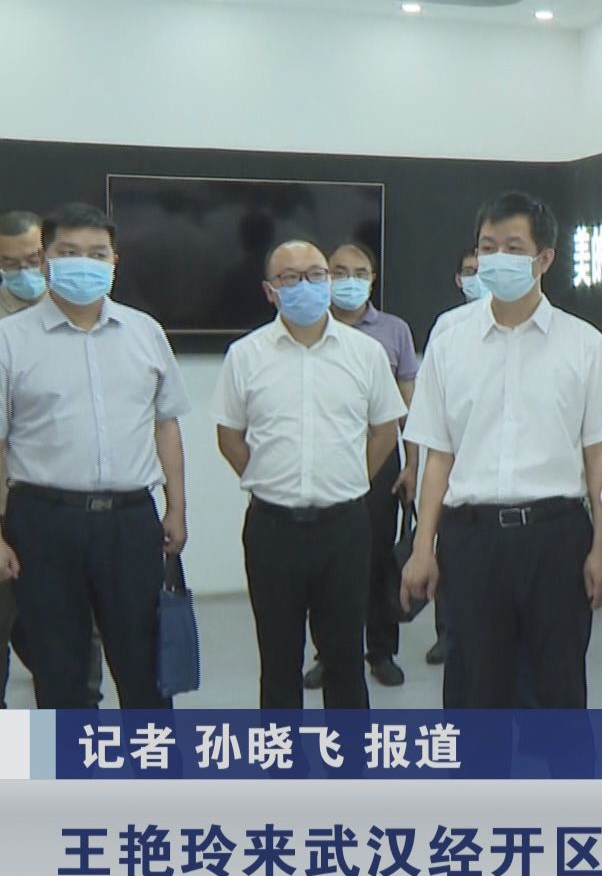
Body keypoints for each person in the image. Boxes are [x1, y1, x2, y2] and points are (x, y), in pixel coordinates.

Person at [401, 192, 602, 709]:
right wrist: (422, 547)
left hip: (556, 538)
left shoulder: (584, 345)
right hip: (472, 540)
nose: (496, 258)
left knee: (558, 693)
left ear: (544, 259)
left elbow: (600, 459)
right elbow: (439, 457)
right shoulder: (449, 344)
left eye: (513, 247)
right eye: (487, 246)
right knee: (474, 692)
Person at [0, 202, 189, 709]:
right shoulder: (9, 340)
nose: (84, 263)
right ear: (46, 260)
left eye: (96, 253)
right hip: (43, 520)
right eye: (69, 252)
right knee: (59, 669)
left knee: (144, 665)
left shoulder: (145, 332)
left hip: (130, 520)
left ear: (114, 261)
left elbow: (166, 424)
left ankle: (152, 759)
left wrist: (177, 507)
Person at [214, 240, 407, 709]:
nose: (306, 285)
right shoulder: (245, 354)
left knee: (345, 661)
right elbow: (229, 436)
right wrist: (268, 477)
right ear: (270, 291)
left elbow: (385, 430)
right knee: (278, 661)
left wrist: (351, 478)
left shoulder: (365, 353)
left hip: (344, 528)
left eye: (317, 275)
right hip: (272, 528)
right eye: (290, 277)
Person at [293, 241, 420, 691]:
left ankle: (381, 651)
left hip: (380, 460)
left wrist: (413, 464)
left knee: (378, 559)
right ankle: (328, 655)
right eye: (339, 272)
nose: (349, 281)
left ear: (373, 278)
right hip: (325, 461)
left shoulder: (394, 331)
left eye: (359, 272)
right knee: (323, 564)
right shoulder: (307, 328)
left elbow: (409, 406)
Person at [417, 248, 489, 668]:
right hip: (455, 461)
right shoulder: (448, 327)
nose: (478, 276)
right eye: (469, 271)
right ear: (458, 279)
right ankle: (447, 631)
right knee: (449, 549)